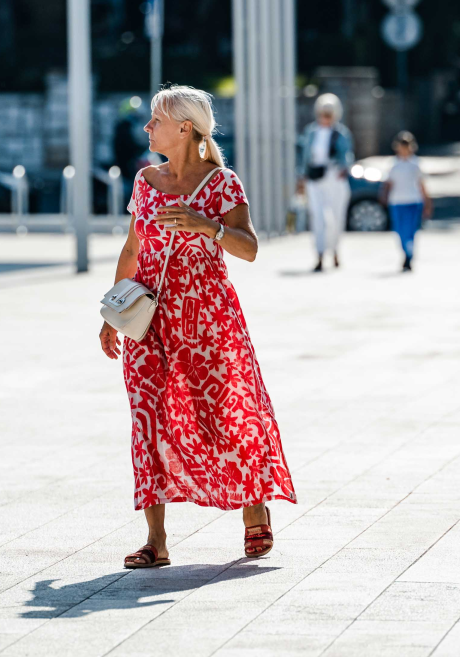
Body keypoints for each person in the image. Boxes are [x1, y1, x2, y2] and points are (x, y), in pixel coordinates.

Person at [99, 85, 297, 569]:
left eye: (156, 121)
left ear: (185, 127)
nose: (147, 128)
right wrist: (110, 313)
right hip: (148, 323)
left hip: (207, 319)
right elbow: (133, 250)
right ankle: (155, 539)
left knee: (225, 416)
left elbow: (248, 248)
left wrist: (202, 224)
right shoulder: (145, 180)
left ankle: (255, 514)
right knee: (147, 419)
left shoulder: (222, 183)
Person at [298, 93, 354, 272]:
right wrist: (301, 177)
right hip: (315, 178)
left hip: (334, 176)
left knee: (336, 217)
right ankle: (320, 254)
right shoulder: (311, 132)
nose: (326, 117)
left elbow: (347, 155)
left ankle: (335, 250)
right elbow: (305, 157)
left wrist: (344, 167)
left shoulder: (341, 133)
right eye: (323, 113)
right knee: (318, 217)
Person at [381, 131, 433, 271]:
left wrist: (427, 203)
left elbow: (422, 185)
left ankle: (409, 256)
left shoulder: (415, 164)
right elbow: (389, 183)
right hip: (397, 201)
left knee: (411, 230)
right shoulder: (394, 164)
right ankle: (405, 252)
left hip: (413, 201)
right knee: (399, 230)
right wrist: (384, 196)